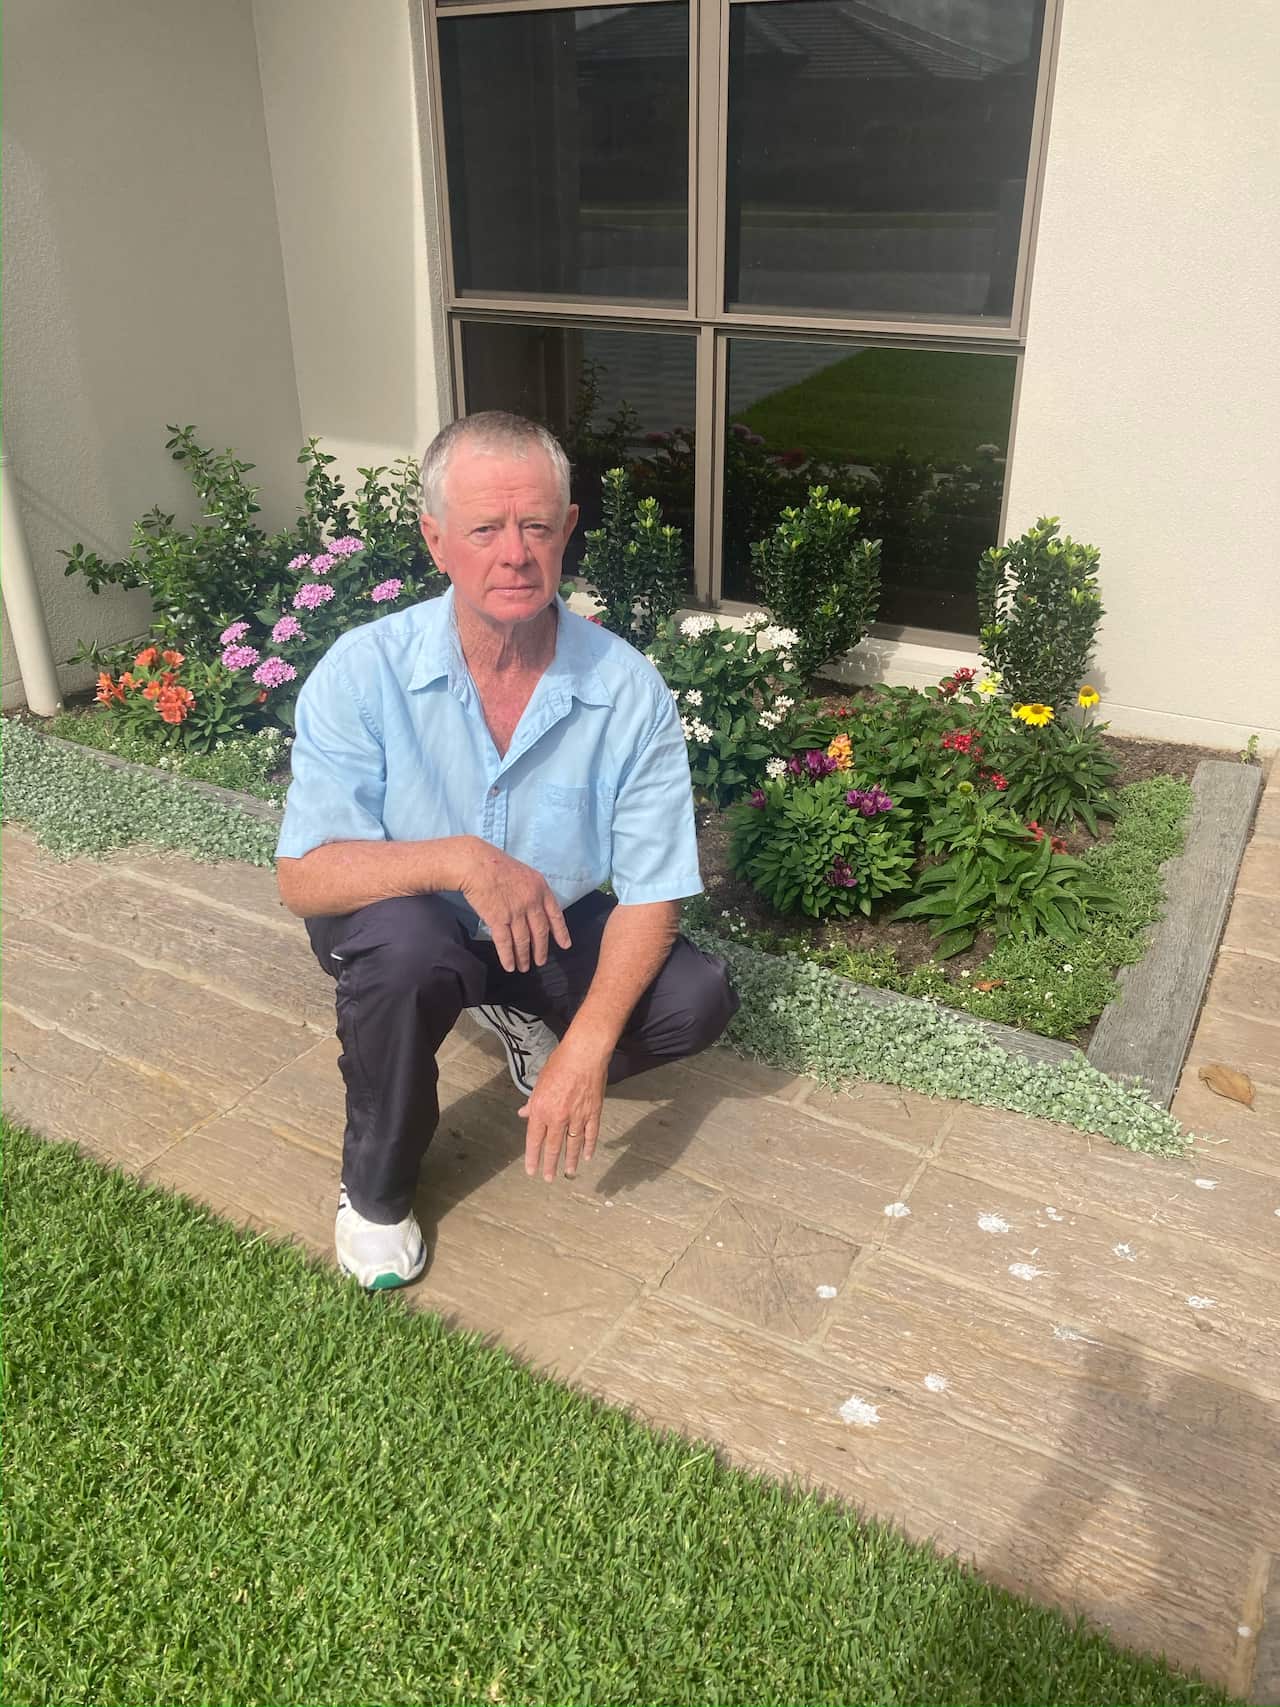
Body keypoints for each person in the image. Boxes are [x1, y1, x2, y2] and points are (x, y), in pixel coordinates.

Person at [275, 411, 738, 1290]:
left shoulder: (625, 687)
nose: (513, 553)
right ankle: (373, 1190)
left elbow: (652, 891)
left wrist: (588, 1046)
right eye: (485, 528)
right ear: (436, 540)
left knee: (696, 996)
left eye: (534, 525)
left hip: (544, 930)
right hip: (406, 921)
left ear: (566, 531)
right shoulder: (363, 668)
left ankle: (531, 1028)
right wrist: (460, 860)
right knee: (409, 953)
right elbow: (304, 876)